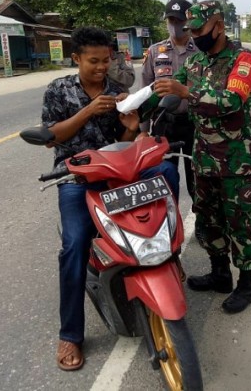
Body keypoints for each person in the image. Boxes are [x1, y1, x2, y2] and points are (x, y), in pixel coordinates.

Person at [41, 26, 179, 371]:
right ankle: (70, 333)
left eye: (107, 60)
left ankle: (166, 252)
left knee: (168, 173)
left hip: (119, 170)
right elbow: (50, 138)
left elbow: (123, 137)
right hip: (76, 175)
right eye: (94, 61)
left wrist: (131, 126)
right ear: (76, 59)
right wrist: (88, 111)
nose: (102, 67)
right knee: (74, 245)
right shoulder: (57, 90)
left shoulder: (118, 91)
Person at [150, 0, 251, 314]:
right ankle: (220, 274)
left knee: (239, 222)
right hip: (204, 158)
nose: (194, 36)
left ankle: (247, 283)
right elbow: (169, 90)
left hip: (235, 160)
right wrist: (136, 107)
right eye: (190, 30)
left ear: (219, 26)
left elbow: (233, 100)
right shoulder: (195, 62)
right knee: (208, 219)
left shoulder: (242, 59)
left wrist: (188, 94)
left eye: (199, 30)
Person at [140, 0, 197, 197]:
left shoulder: (201, 51)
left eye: (179, 21)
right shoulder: (155, 51)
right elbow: (146, 91)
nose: (175, 25)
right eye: (171, 21)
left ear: (189, 22)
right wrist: (144, 130)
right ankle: (169, 224)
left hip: (194, 123)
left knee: (197, 178)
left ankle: (201, 224)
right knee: (163, 179)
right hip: (163, 123)